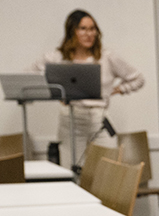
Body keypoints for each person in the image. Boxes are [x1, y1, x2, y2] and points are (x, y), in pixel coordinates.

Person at [33, 9, 144, 161]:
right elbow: (31, 76)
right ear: (72, 31)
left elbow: (138, 79)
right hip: (71, 119)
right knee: (72, 169)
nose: (89, 34)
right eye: (83, 29)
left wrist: (117, 89)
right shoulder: (57, 58)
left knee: (107, 168)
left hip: (99, 119)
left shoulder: (106, 57)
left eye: (92, 29)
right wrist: (55, 93)